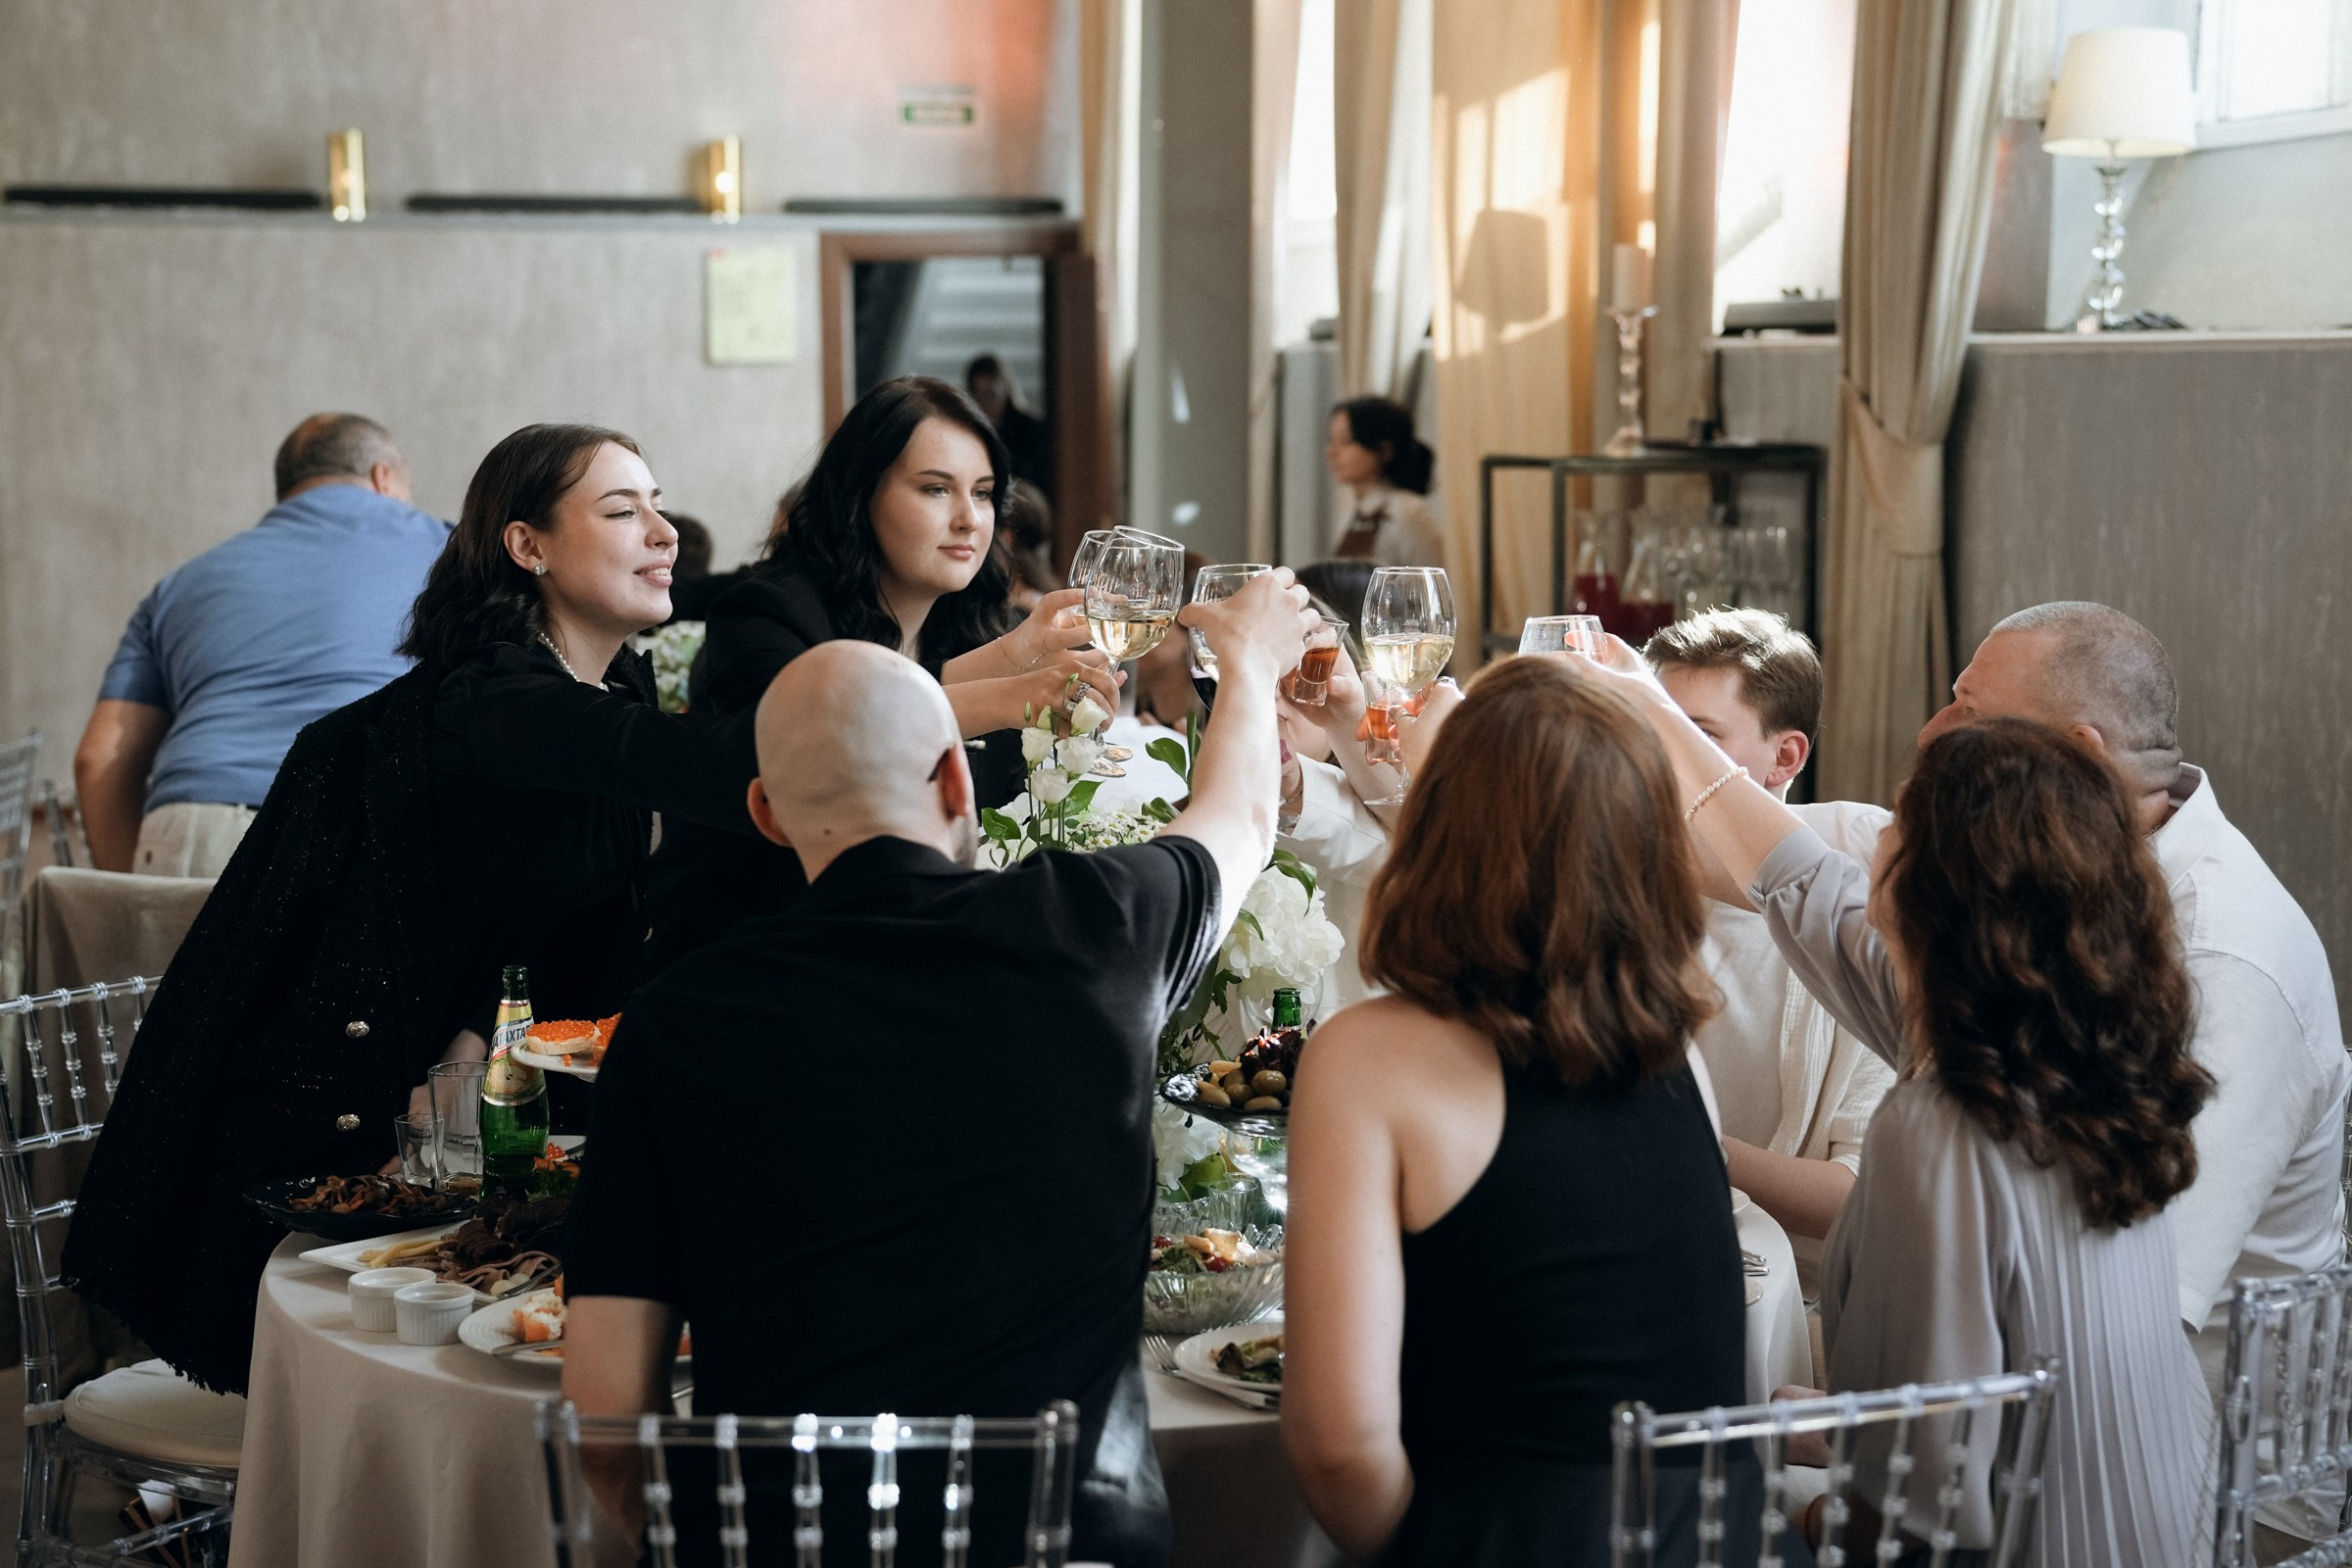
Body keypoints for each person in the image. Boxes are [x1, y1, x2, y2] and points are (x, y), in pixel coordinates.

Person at [560, 571, 1313, 1567]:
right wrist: (1252, 664)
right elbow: (1242, 820)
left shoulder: (671, 1023)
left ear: (768, 814)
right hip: (1065, 1549)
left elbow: (607, 1419)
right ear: (959, 778)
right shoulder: (1091, 926)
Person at [65, 423, 761, 1395]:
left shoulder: (609, 680)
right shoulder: (496, 698)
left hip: (455, 1120)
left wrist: (478, 1035)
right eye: (620, 509)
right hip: (324, 1140)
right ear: (528, 546)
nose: (662, 530)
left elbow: (541, 906)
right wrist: (914, 713)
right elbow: (686, 765)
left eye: (657, 504)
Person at [1587, 635, 2221, 1562]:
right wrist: (1648, 706)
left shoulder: (1941, 1124)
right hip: (2169, 1522)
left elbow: (1925, 1508)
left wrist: (1789, 1519)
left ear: (1922, 883)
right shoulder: (2075, 1050)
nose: (1870, 834)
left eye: (1897, 825)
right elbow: (1796, 879)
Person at [1283, 657, 1761, 1567]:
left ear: (1438, 831)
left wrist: (1437, 1546)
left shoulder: (1367, 1058)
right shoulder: (1677, 1049)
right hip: (1717, 1538)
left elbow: (1338, 1450)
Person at [641, 376, 1119, 975]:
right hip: (760, 961)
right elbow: (820, 748)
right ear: (860, 495)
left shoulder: (974, 626)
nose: (970, 520)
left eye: (984, 493)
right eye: (936, 490)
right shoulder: (768, 610)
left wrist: (1020, 667)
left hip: (920, 957)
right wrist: (1008, 694)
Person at [72, 414, 450, 877]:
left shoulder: (178, 586)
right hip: (367, 823)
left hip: (194, 826)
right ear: (383, 477)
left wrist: (134, 895)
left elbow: (98, 760)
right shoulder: (455, 555)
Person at [1645, 610, 1892, 1294]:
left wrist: (1686, 1144)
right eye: (1648, 727)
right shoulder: (1609, 883)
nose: (1658, 759)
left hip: (1801, 1299)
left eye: (1694, 738)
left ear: (1786, 757)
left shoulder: (1859, 910)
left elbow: (1856, 1195)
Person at [1325, 397, 1442, 566]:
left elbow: (1428, 583)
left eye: (1346, 441)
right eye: (1331, 440)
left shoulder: (1407, 511)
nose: (1332, 452)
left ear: (1384, 450)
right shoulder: (1350, 512)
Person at [965, 351, 1049, 490]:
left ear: (1006, 390)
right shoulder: (971, 432)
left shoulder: (1032, 429)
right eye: (979, 397)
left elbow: (1037, 478)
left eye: (990, 395)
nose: (985, 404)